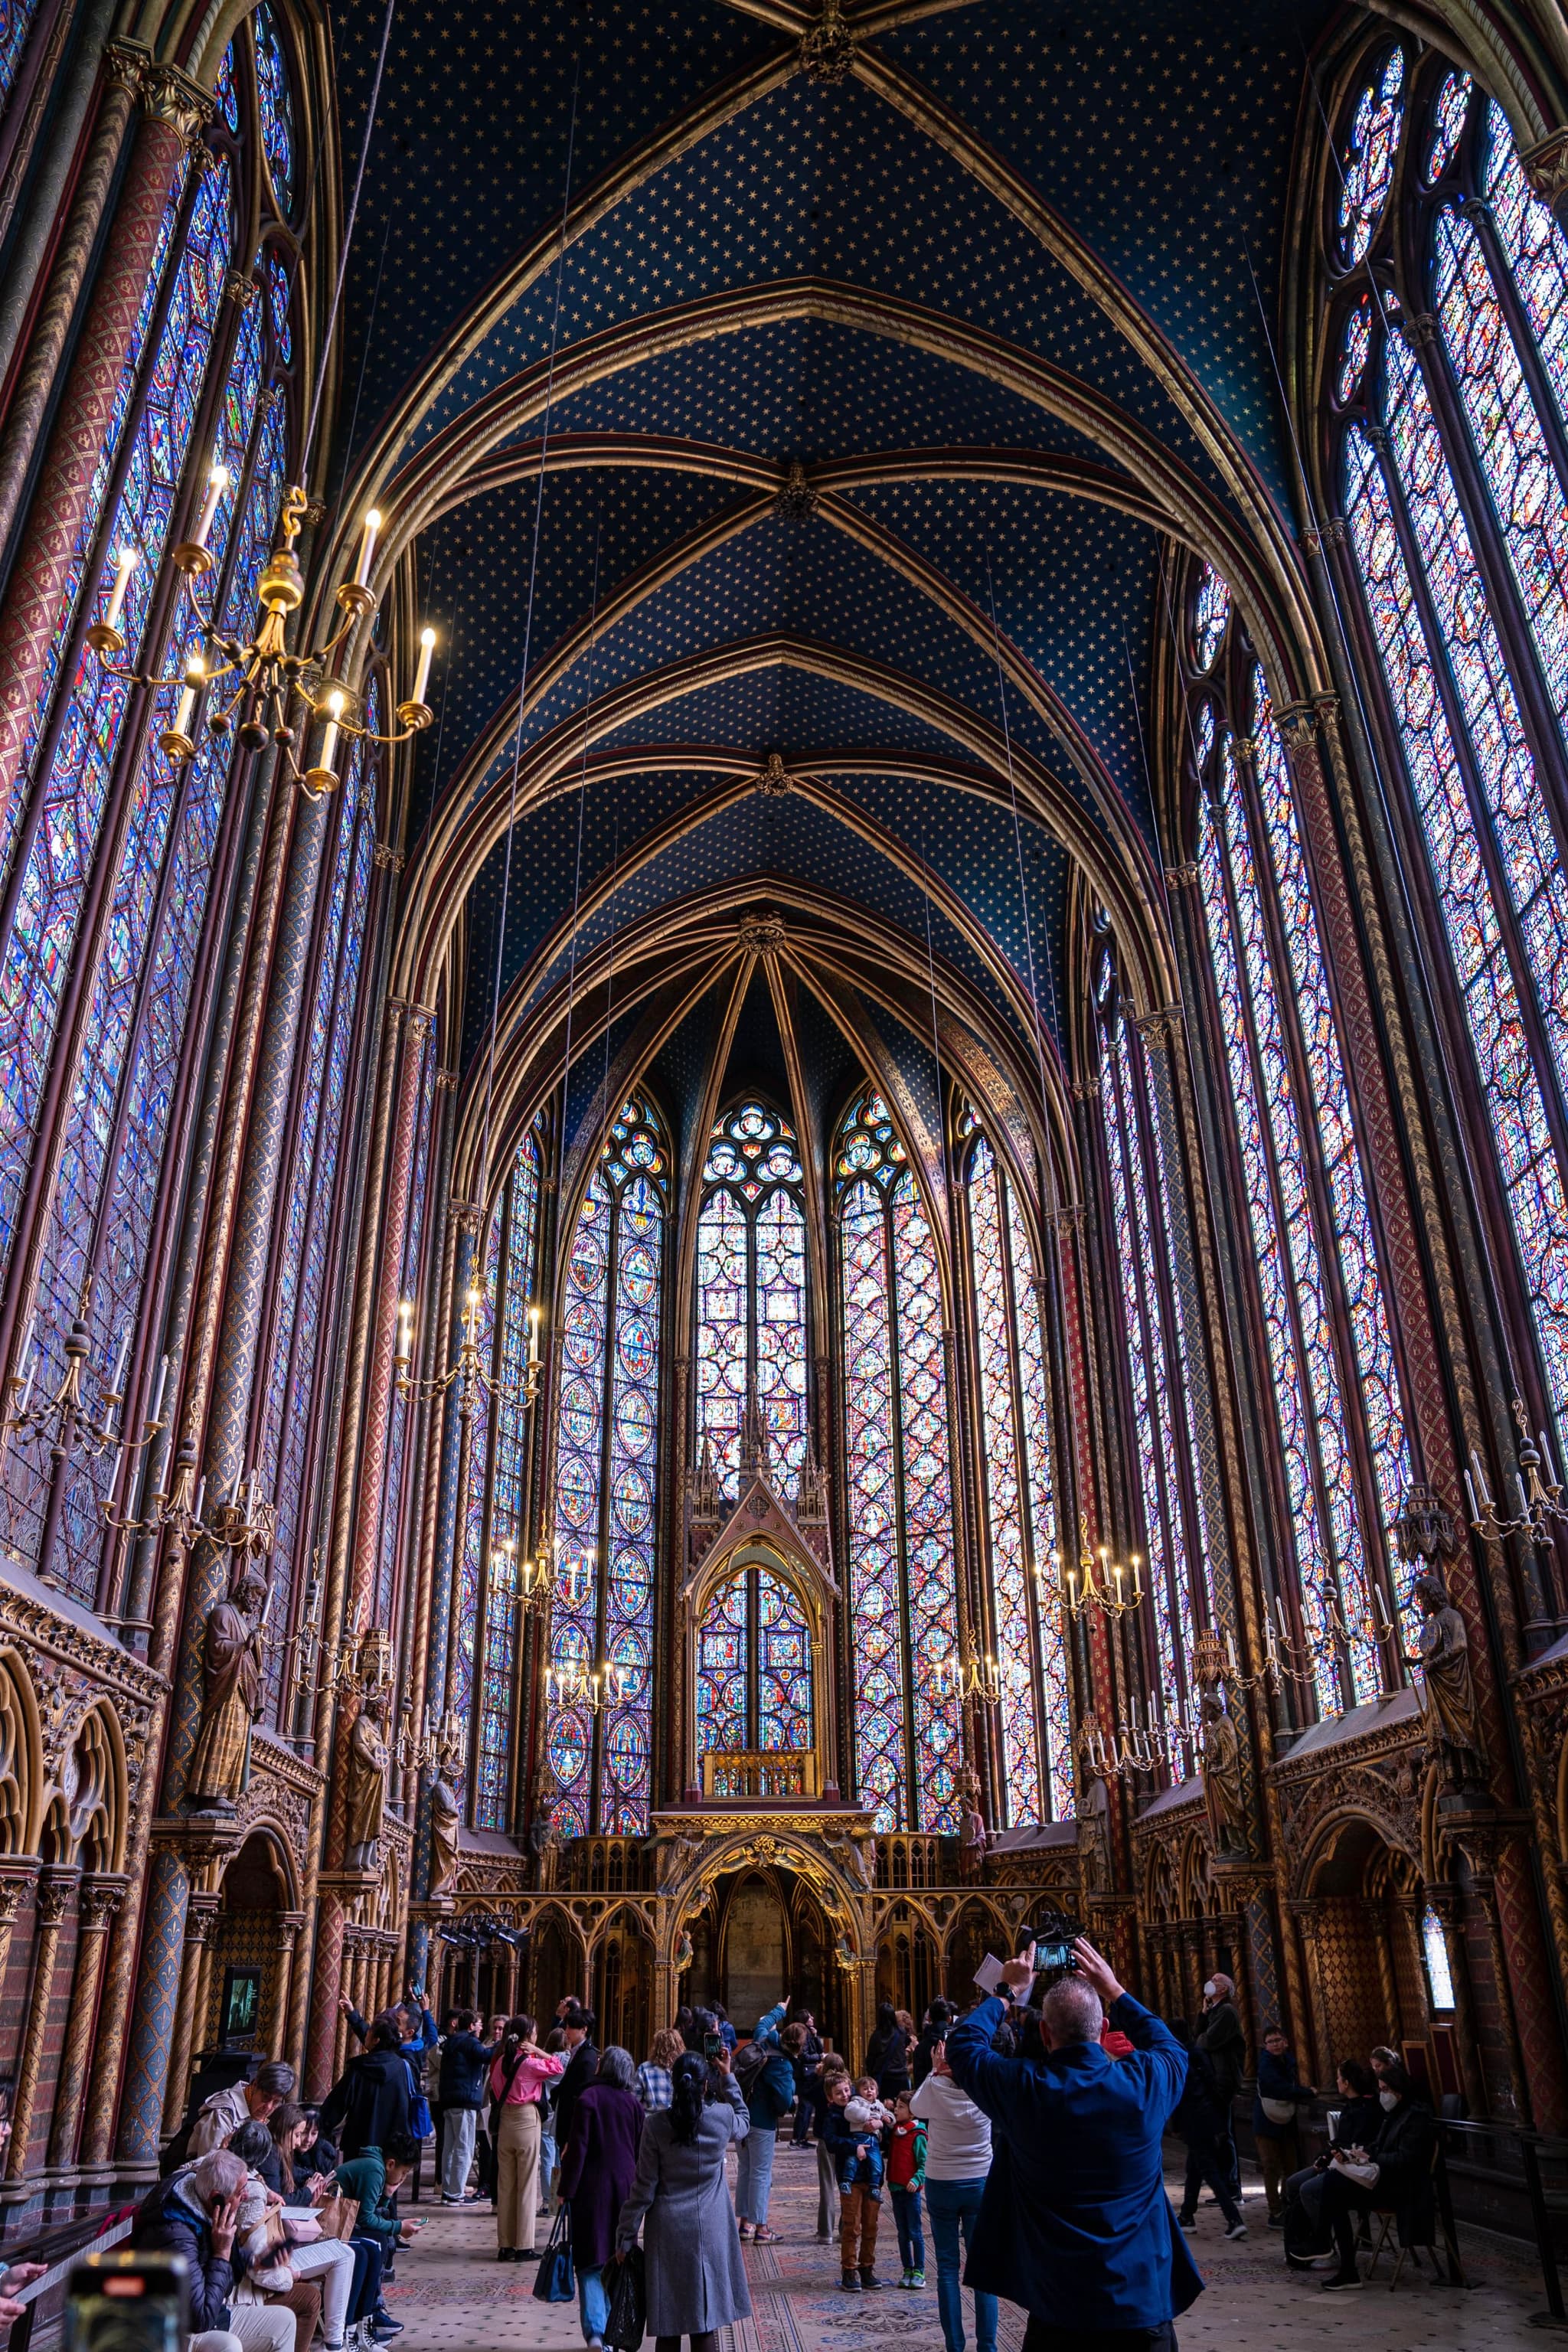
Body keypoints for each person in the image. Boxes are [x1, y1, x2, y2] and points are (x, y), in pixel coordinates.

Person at [947, 1937, 1201, 2351]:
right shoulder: (1142, 2084)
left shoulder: (1024, 2090)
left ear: (1045, 2033)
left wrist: (1006, 1992)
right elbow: (1171, 2047)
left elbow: (963, 2046)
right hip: (1141, 2304)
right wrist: (1114, 1990)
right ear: (1103, 2029)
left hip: (1059, 2308)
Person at [614, 2048, 751, 2352]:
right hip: (711, 2229)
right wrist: (728, 2076)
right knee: (704, 2323)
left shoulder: (656, 2126)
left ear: (674, 2083)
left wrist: (626, 2236)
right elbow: (744, 2118)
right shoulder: (722, 2118)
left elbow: (644, 2188)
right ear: (705, 2085)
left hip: (668, 2231)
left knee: (669, 2324)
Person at [132, 2148, 295, 2352]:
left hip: (211, 2313)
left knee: (285, 2322)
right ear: (216, 2197)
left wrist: (256, 2261)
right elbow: (201, 2318)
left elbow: (229, 2264)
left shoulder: (205, 2206)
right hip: (172, 2328)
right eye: (239, 2191)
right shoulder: (176, 2234)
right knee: (228, 2346)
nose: (245, 2196)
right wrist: (221, 2254)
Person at [227, 2118, 358, 2352]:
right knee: (310, 2296)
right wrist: (290, 2276)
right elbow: (259, 2268)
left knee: (348, 2252)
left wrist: (267, 2192)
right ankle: (334, 2344)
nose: (301, 2142)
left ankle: (336, 2342)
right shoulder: (250, 2190)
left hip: (240, 2268)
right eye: (298, 2134)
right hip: (238, 2287)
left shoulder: (226, 2172)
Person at [1304, 2062, 1436, 2292]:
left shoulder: (1416, 2118)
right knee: (1332, 2185)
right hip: (1384, 2179)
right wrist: (1360, 2155)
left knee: (1332, 2187)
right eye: (1380, 2089)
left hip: (1402, 2187)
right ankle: (1340, 2262)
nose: (1382, 2094)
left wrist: (1375, 2158)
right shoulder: (1392, 2114)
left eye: (1385, 2089)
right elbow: (1379, 2146)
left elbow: (1406, 2160)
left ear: (1399, 2090)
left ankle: (1330, 2250)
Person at [909, 2035, 995, 2352]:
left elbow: (916, 2107)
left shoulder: (934, 2087)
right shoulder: (985, 2087)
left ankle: (955, 2347)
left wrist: (933, 2071)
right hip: (979, 2182)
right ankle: (987, 2346)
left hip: (943, 2182)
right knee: (983, 2271)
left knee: (947, 2269)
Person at [557, 2047, 645, 2350]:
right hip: (626, 2188)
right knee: (617, 2258)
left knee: (591, 2261)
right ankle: (611, 2332)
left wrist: (565, 2190)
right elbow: (639, 2150)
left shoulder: (588, 2099)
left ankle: (596, 2331)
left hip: (591, 2189)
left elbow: (577, 2150)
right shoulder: (634, 2105)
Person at [1281, 2060, 1381, 2262]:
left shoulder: (1366, 2110)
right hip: (1336, 2163)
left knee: (1307, 2189)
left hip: (1353, 2170)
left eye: (1338, 2077)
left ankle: (1321, 2241)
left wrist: (1331, 2157)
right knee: (1291, 2184)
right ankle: (1298, 2243)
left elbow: (1357, 2146)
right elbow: (1340, 2141)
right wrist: (1324, 2156)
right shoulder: (1350, 2106)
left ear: (1346, 2083)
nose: (1336, 2081)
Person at [332, 2129, 424, 2343]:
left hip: (347, 2224)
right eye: (404, 2172)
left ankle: (366, 2321)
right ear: (391, 2163)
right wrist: (399, 2227)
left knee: (379, 2242)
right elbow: (366, 2218)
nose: (403, 2178)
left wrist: (387, 2195)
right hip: (334, 2228)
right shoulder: (374, 2170)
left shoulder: (376, 2167)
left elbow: (370, 2212)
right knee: (373, 2247)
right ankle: (352, 2328)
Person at [492, 2013, 564, 2261]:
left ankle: (506, 2245)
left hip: (505, 2122)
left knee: (506, 2185)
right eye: (533, 2032)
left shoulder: (501, 2061)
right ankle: (524, 2246)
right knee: (526, 2186)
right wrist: (537, 2051)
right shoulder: (530, 2064)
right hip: (525, 2119)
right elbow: (558, 2066)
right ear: (527, 2037)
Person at [1170, 2032, 1245, 2239]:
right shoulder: (1199, 2054)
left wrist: (1174, 2124)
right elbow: (1213, 2085)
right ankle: (1187, 2217)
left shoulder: (1179, 2057)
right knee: (1194, 2170)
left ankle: (1234, 2219)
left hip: (1193, 2123)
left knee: (1210, 2172)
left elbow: (1179, 2094)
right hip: (1209, 2118)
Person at [734, 2001, 795, 2243]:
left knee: (746, 2170)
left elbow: (762, 2023)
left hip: (743, 2116)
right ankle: (761, 2228)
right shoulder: (782, 2063)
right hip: (762, 2122)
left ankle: (745, 2224)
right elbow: (783, 2101)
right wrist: (790, 2089)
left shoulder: (762, 2041)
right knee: (760, 2173)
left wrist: (779, 2010)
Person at [820, 2067, 885, 2289]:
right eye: (839, 2093)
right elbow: (830, 2141)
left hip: (872, 2175)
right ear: (830, 2097)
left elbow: (879, 2134)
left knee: (871, 2226)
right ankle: (849, 2271)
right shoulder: (833, 2116)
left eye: (847, 2090)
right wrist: (853, 2146)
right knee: (852, 2225)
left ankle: (867, 2268)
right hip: (851, 2177)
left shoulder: (864, 2106)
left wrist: (880, 2125)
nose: (845, 2095)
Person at [320, 2017, 413, 2160]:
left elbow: (337, 2104)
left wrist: (319, 2126)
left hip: (358, 2145)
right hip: (388, 2148)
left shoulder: (360, 2069)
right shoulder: (401, 2067)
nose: (366, 2034)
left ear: (376, 2040)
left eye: (369, 2031)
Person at [436, 2008, 498, 2204]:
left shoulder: (451, 2041)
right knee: (464, 2147)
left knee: (450, 2148)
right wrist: (502, 2045)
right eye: (479, 2024)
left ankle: (448, 2190)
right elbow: (486, 2056)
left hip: (449, 2100)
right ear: (471, 2026)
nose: (481, 2028)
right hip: (464, 2101)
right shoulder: (469, 2041)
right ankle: (456, 2194)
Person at [1192, 1975, 1244, 2201]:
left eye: (1214, 1980)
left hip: (1224, 2078)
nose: (1209, 1982)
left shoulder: (1227, 2012)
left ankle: (1231, 2186)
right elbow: (1198, 2035)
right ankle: (1226, 2184)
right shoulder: (1215, 2011)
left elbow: (1206, 2042)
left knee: (1223, 2133)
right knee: (1220, 2132)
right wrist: (1203, 2013)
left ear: (1223, 1989)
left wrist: (1201, 2037)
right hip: (1215, 2078)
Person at [1253, 2026, 1310, 2228]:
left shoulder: (1289, 2061)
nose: (1276, 2044)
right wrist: (1304, 2092)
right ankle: (1275, 2211)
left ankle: (1290, 2206)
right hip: (1267, 2122)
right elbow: (1277, 2087)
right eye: (1271, 2041)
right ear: (1265, 2045)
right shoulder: (1265, 2064)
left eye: (1278, 2040)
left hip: (1286, 2120)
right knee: (1271, 2166)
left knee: (1291, 2166)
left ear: (1285, 2041)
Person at [188, 2060, 299, 2160]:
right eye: (265, 2097)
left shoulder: (257, 2113)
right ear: (255, 2085)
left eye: (276, 2102)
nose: (269, 2107)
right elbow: (206, 2168)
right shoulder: (222, 2116)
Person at [887, 2089, 926, 2289]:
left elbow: (923, 2163)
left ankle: (919, 2270)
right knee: (902, 2233)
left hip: (911, 2190)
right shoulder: (896, 2131)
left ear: (912, 2113)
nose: (896, 2109)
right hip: (896, 2188)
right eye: (896, 2105)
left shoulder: (917, 2134)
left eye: (901, 2107)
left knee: (915, 2232)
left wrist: (916, 2179)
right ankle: (907, 2269)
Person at [553, 2006, 599, 2172]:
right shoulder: (576, 2052)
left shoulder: (588, 2058)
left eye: (571, 2027)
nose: (567, 2031)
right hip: (566, 2125)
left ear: (584, 2029)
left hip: (573, 2127)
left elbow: (581, 2097)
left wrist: (573, 2136)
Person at [865, 2001, 912, 2102]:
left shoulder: (876, 2037)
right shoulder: (901, 2032)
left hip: (884, 2079)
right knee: (902, 2107)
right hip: (901, 2078)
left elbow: (870, 2060)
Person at [788, 2011, 822, 2145]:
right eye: (809, 2017)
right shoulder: (801, 2034)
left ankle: (801, 2138)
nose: (812, 2018)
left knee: (808, 2108)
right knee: (805, 2107)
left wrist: (815, 2036)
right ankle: (797, 2138)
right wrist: (820, 2057)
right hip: (804, 2075)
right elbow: (805, 2056)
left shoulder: (809, 2033)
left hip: (811, 2075)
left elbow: (819, 2049)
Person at [639, 2025, 687, 2114]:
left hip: (650, 2122)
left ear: (656, 2047)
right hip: (675, 2122)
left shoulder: (644, 2069)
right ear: (679, 2047)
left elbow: (635, 2099)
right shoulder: (684, 2070)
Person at [911, 2000, 956, 2090]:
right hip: (954, 2096)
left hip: (929, 2097)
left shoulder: (920, 2048)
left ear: (930, 2019)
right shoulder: (957, 2042)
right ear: (949, 2019)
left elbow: (919, 2083)